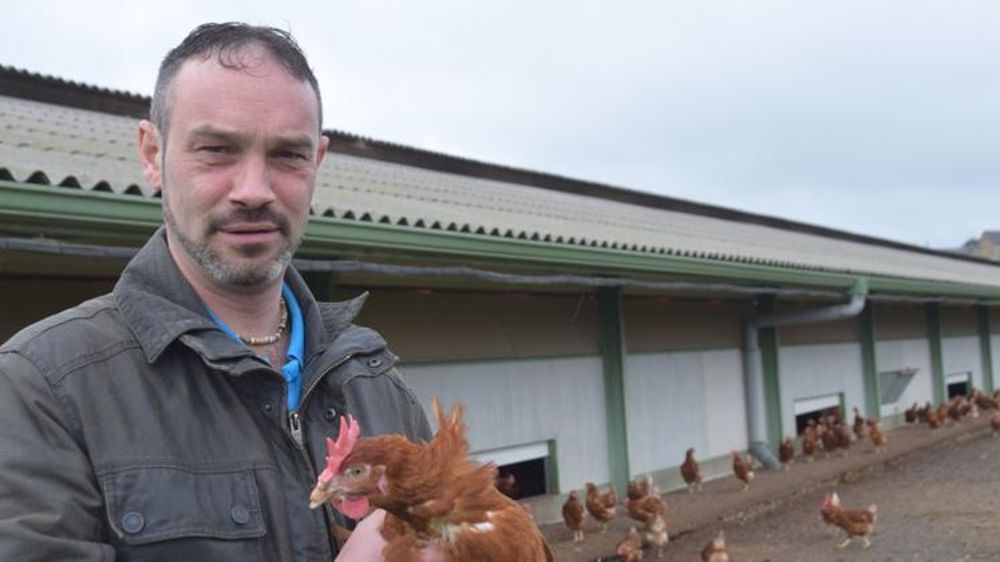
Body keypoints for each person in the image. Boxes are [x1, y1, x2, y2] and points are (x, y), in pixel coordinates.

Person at [0, 23, 432, 561]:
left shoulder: (379, 384)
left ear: (317, 162)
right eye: (217, 150)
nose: (253, 189)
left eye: (287, 155)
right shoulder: (41, 388)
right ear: (152, 154)